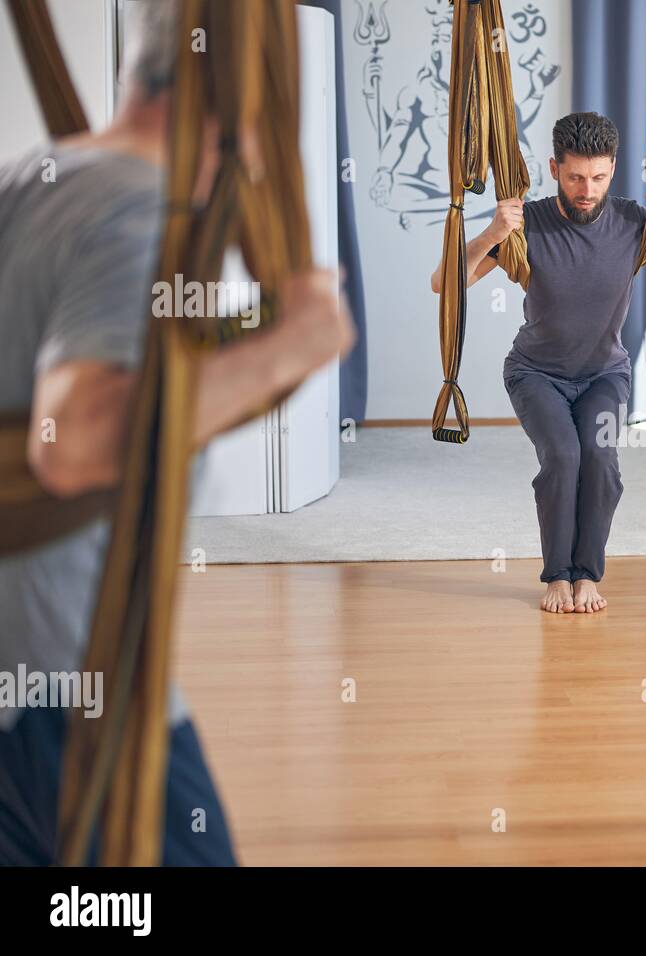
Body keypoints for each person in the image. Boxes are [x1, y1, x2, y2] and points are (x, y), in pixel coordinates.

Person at [0, 0, 355, 864]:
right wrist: (292, 347)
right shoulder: (132, 207)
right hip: (72, 687)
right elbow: (74, 439)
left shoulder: (37, 175)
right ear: (246, 100)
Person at [432, 112, 646, 614]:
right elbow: (445, 282)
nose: (586, 190)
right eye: (575, 177)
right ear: (553, 169)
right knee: (564, 457)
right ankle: (557, 576)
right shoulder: (528, 225)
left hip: (605, 374)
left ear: (613, 170)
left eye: (598, 177)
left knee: (601, 460)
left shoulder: (636, 223)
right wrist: (491, 232)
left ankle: (587, 573)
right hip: (535, 374)